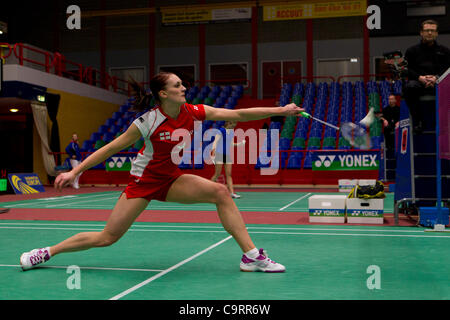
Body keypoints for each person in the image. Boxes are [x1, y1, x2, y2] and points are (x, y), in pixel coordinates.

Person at [19, 72, 304, 273]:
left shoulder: (193, 111)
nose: (184, 88)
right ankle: (47, 252)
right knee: (108, 237)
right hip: (143, 183)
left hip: (171, 179)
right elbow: (109, 149)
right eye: (178, 85)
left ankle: (251, 256)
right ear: (163, 94)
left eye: (183, 84)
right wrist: (75, 172)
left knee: (220, 192)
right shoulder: (147, 122)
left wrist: (282, 109)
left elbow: (238, 115)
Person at [403, 19, 450, 133]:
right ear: (421, 32)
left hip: (439, 83)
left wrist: (436, 78)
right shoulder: (411, 51)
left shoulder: (445, 51)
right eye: (427, 30)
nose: (430, 33)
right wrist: (421, 78)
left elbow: (447, 68)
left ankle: (444, 123)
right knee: (409, 87)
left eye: (433, 31)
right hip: (418, 83)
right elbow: (406, 69)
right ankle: (418, 122)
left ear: (437, 33)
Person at [210, 120, 246, 199]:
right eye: (233, 124)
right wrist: (213, 153)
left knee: (229, 175)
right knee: (217, 174)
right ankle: (207, 191)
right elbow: (215, 142)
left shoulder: (231, 132)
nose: (234, 126)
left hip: (227, 155)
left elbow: (232, 144)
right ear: (229, 123)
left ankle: (232, 193)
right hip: (219, 154)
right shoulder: (221, 131)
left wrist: (241, 144)